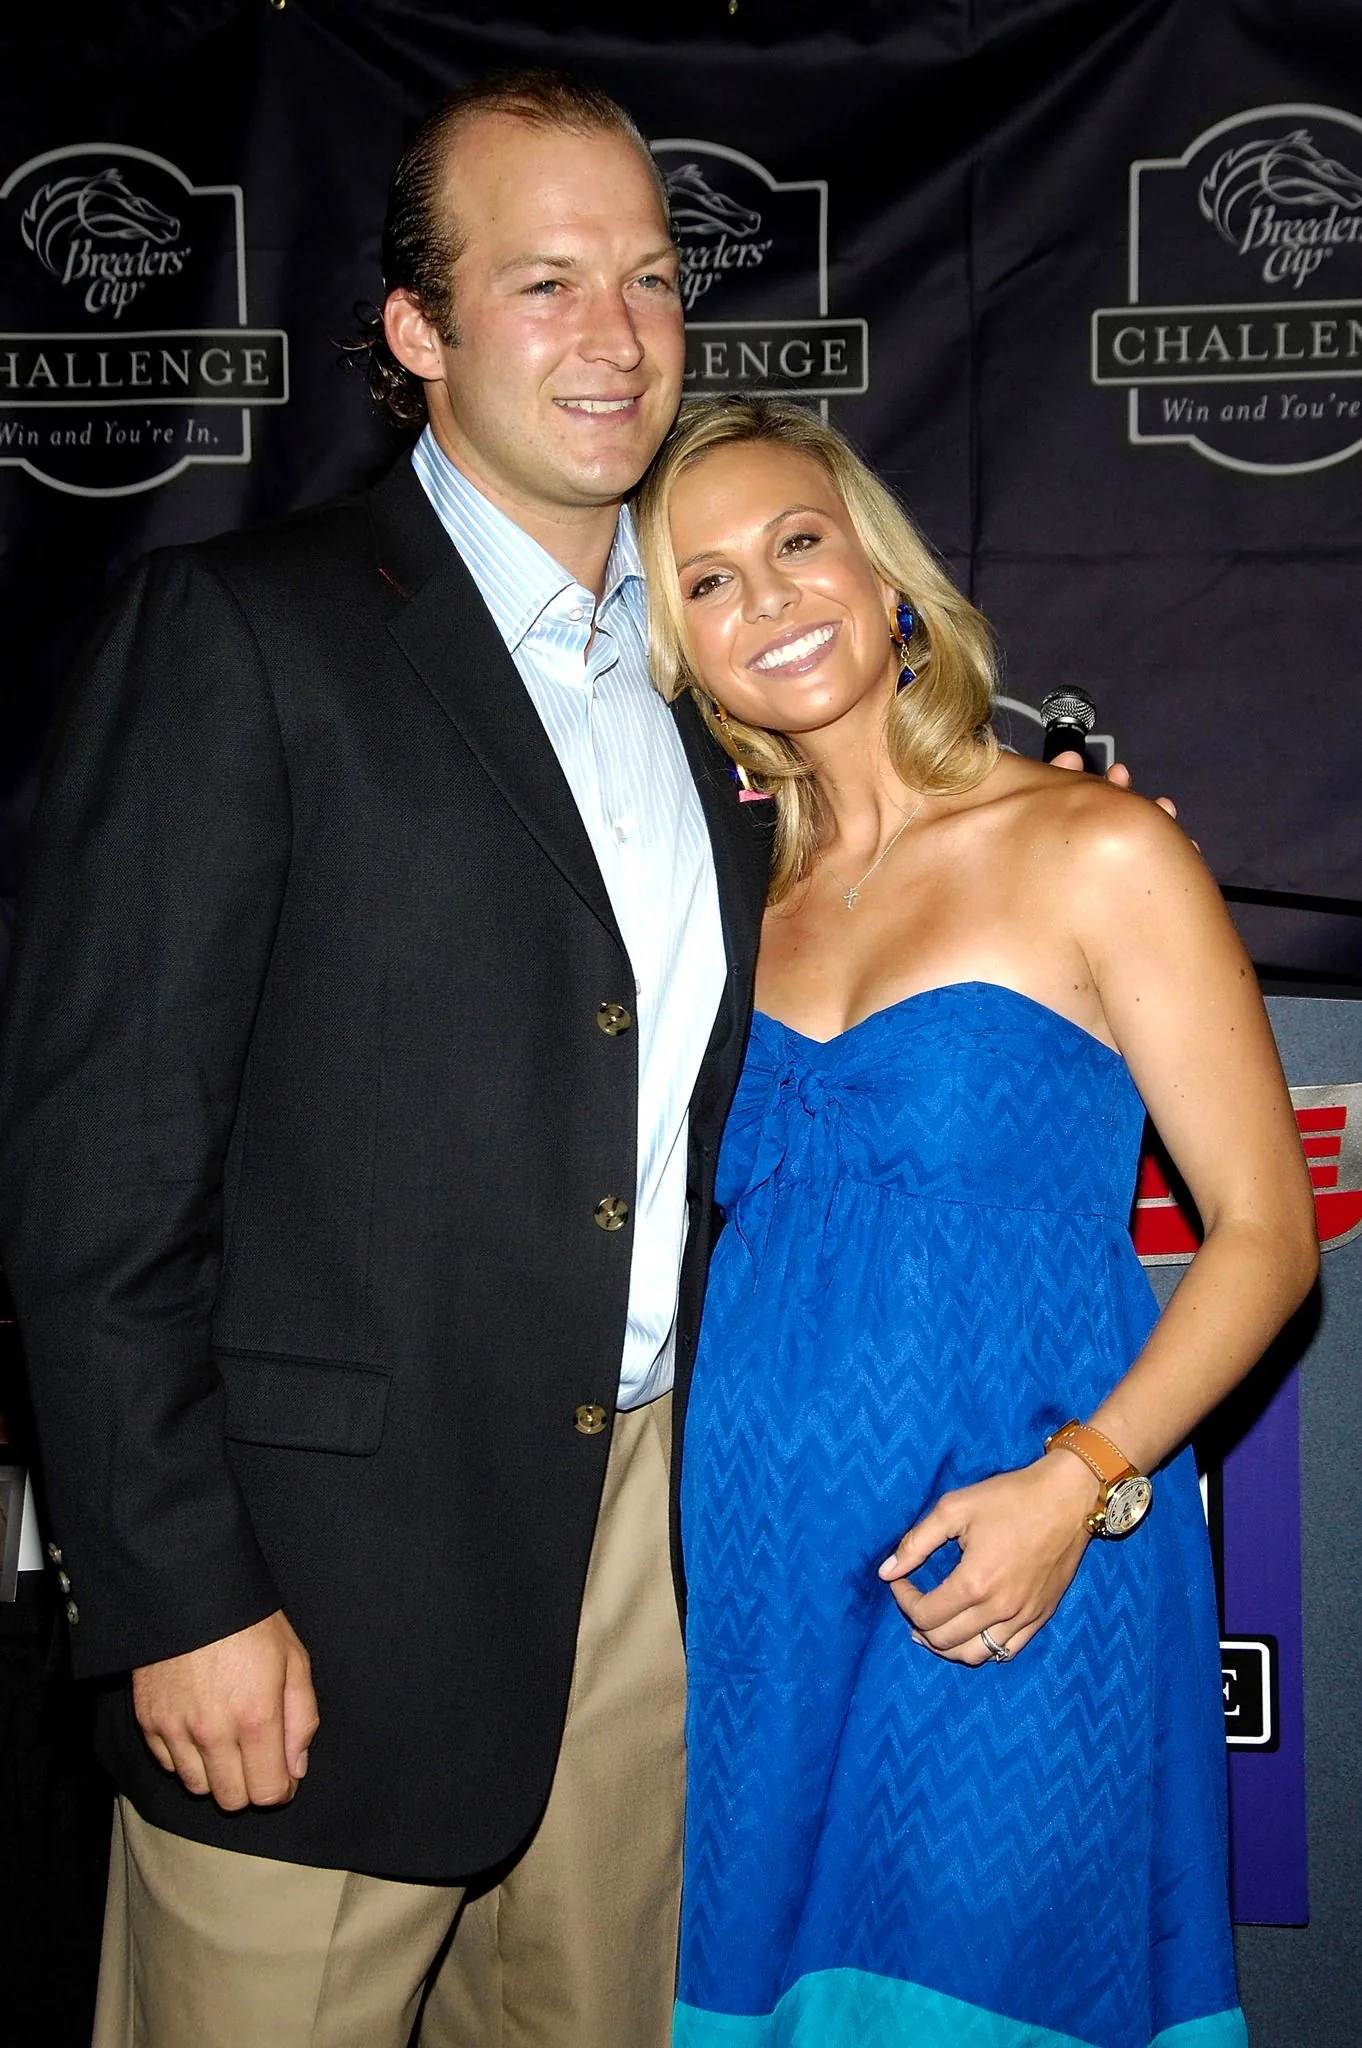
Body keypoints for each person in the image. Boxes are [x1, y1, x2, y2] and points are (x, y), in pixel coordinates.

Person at [0, 73, 775, 2048]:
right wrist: (169, 1590)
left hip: (640, 1576)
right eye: (543, 281)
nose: (615, 337)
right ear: (416, 334)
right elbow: (100, 1171)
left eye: (652, 279)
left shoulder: (713, 699)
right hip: (309, 1605)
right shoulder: (239, 633)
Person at [633, 396, 1319, 2048]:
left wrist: (1078, 1487)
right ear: (676, 659)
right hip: (755, 1601)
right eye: (706, 585)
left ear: (885, 581)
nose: (770, 601)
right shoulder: (716, 914)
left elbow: (1265, 1236)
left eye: (798, 544)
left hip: (1012, 1558)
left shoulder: (1093, 846)